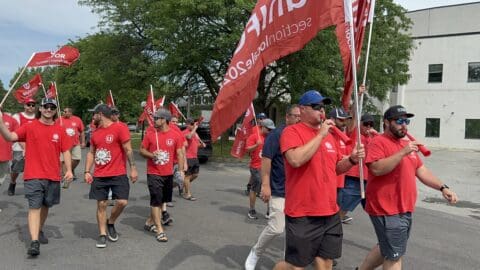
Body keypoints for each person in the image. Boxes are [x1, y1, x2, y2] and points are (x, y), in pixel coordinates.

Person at [357, 105, 458, 270]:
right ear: (387, 123)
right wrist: (402, 152)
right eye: (399, 121)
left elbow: (421, 170)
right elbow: (376, 168)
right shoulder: (378, 142)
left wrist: (442, 187)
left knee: (387, 248)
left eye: (407, 120)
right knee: (395, 256)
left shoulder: (407, 144)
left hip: (404, 208)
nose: (404, 124)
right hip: (386, 209)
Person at [274, 90, 365, 270]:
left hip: (329, 211)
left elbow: (337, 167)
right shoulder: (291, 132)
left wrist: (352, 159)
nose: (321, 111)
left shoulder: (330, 136)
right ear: (302, 109)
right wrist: (320, 135)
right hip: (303, 213)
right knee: (296, 266)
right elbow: (296, 159)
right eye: (316, 107)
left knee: (325, 262)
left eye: (323, 107)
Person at [0, 98, 73, 257]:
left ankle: (39, 229)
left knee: (46, 206)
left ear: (55, 110)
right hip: (33, 175)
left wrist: (69, 170)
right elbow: (10, 137)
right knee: (34, 207)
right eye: (45, 106)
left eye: (51, 107)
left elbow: (66, 150)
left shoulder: (60, 130)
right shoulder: (29, 126)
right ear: (40, 108)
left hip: (52, 176)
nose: (48, 109)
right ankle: (34, 242)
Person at [244, 105, 300, 269]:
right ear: (287, 117)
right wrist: (265, 186)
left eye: (300, 116)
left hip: (297, 191)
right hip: (279, 189)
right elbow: (266, 160)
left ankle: (288, 261)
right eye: (295, 116)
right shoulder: (276, 135)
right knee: (276, 228)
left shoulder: (301, 134)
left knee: (294, 231)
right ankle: (256, 252)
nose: (298, 119)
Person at [84, 104, 138, 248]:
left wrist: (133, 168)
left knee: (122, 202)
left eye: (94, 114)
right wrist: (87, 171)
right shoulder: (95, 133)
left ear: (100, 114)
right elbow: (91, 153)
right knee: (101, 205)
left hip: (118, 173)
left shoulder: (120, 128)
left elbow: (128, 149)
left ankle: (111, 222)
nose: (92, 117)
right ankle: (102, 234)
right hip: (100, 175)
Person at [139, 109, 185, 242]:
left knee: (162, 201)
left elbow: (180, 153)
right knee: (156, 201)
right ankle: (160, 230)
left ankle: (149, 222)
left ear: (164, 119)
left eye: (157, 118)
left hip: (168, 173)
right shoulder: (150, 134)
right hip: (153, 173)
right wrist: (152, 155)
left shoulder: (175, 135)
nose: (154, 120)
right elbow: (142, 150)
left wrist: (181, 170)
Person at [339, 113, 378, 224]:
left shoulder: (373, 137)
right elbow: (353, 117)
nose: (368, 127)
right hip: (354, 178)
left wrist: (376, 136)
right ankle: (328, 232)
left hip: (368, 179)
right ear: (360, 124)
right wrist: (358, 98)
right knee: (343, 209)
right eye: (366, 124)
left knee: (376, 211)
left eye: (371, 124)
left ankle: (384, 240)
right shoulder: (354, 132)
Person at [245, 118, 275, 219]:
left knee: (270, 188)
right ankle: (252, 209)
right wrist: (256, 145)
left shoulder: (271, 138)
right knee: (255, 188)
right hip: (256, 167)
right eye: (269, 129)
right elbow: (247, 149)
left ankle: (268, 211)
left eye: (272, 129)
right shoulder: (254, 137)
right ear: (262, 127)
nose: (271, 131)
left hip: (269, 167)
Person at [8, 97, 37, 196]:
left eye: (33, 105)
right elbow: (17, 133)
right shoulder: (18, 116)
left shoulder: (37, 117)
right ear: (24, 105)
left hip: (34, 147)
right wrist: (25, 148)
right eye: (29, 105)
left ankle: (30, 188)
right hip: (19, 147)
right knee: (16, 169)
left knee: (33, 168)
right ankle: (12, 183)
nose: (31, 107)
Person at [59, 107, 85, 183]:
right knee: (63, 160)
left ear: (70, 113)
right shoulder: (59, 119)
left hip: (75, 143)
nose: (63, 113)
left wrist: (83, 142)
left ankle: (70, 170)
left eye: (65, 111)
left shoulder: (77, 119)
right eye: (63, 111)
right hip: (63, 144)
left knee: (77, 159)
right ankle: (65, 176)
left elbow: (82, 131)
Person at [182, 118, 205, 201]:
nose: (193, 126)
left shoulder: (195, 134)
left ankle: (183, 184)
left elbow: (197, 144)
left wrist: (202, 145)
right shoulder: (184, 132)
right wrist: (195, 128)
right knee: (187, 176)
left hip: (195, 157)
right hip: (187, 157)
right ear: (187, 124)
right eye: (191, 124)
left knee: (195, 175)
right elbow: (189, 136)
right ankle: (187, 194)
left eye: (193, 124)